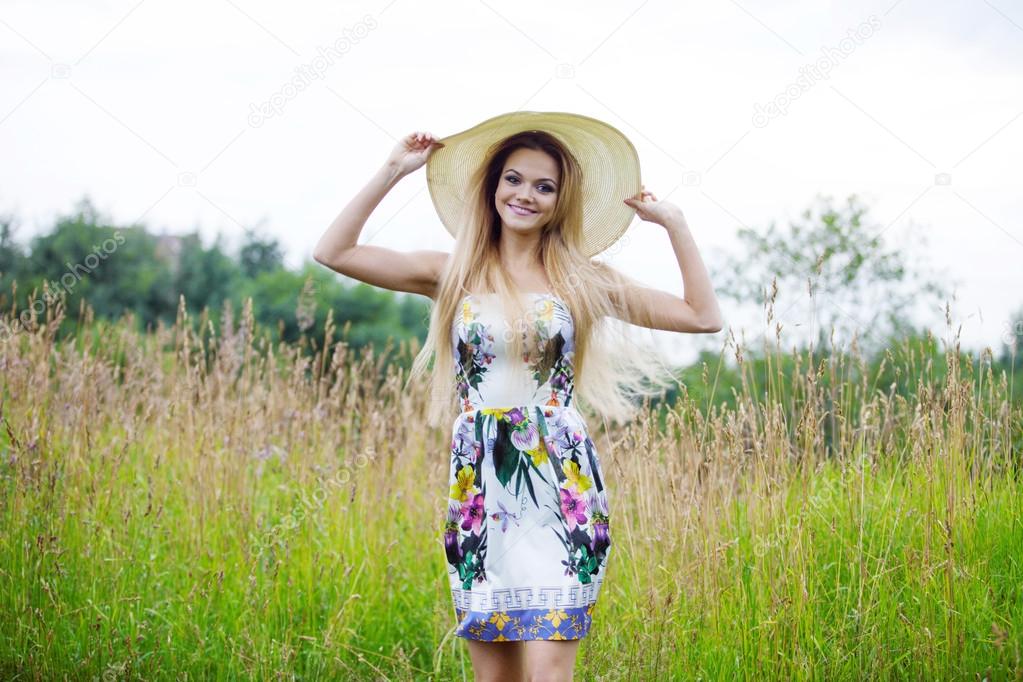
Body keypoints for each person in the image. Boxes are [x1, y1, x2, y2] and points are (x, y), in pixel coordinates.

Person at [313, 111, 722, 682]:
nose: (525, 194)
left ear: (560, 201)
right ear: (492, 186)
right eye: (513, 178)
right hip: (479, 482)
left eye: (544, 186)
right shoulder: (452, 273)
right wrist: (392, 170)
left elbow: (702, 317)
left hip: (562, 480)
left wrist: (675, 224)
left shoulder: (583, 279)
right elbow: (333, 252)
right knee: (494, 676)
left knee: (551, 669)